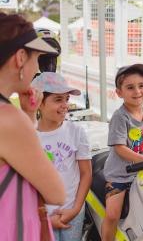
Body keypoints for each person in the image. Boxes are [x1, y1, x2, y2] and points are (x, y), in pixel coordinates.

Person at [0, 13, 65, 240]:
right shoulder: (8, 118)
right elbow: (57, 193)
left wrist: (28, 113)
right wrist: (24, 118)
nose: (38, 67)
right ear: (20, 58)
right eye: (36, 58)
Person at [102, 64, 143, 241]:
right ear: (119, 92)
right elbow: (119, 148)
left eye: (141, 86)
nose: (137, 91)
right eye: (130, 87)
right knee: (112, 215)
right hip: (121, 175)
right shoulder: (120, 117)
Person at [32, 72, 92, 241]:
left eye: (66, 99)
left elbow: (86, 173)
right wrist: (43, 216)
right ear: (39, 103)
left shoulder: (76, 132)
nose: (65, 105)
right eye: (58, 100)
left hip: (72, 211)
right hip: (40, 215)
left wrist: (75, 209)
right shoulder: (29, 137)